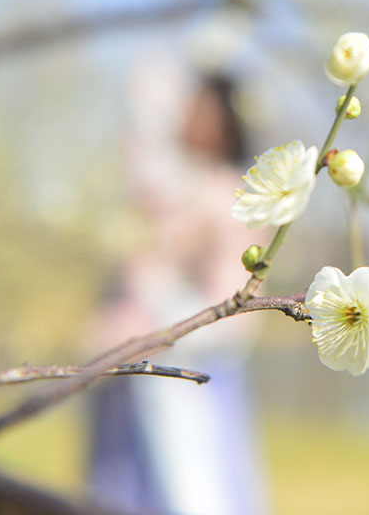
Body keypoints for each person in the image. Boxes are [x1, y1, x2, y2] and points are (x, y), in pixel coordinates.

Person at [88, 68, 268, 515]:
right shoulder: (166, 187)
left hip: (186, 374)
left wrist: (152, 318)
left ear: (226, 125)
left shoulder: (233, 197)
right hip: (133, 368)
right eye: (189, 103)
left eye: (202, 108)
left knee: (188, 484)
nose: (188, 115)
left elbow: (231, 309)